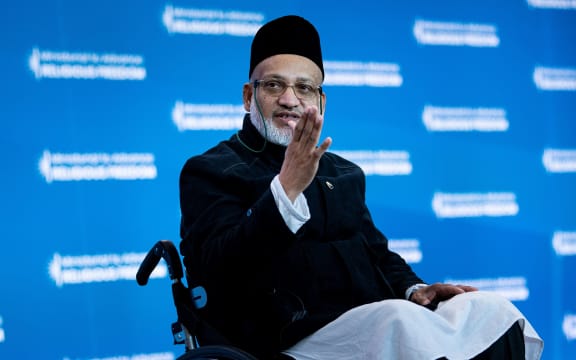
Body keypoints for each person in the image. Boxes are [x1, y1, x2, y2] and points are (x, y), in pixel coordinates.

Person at [179, 15, 543, 360]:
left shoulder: (343, 172)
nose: (290, 99)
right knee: (400, 323)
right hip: (284, 340)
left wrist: (416, 290)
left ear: (320, 101)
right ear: (248, 96)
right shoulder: (211, 170)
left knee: (489, 310)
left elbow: (376, 252)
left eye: (304, 87)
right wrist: (286, 188)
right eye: (274, 85)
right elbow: (219, 268)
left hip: (370, 322)